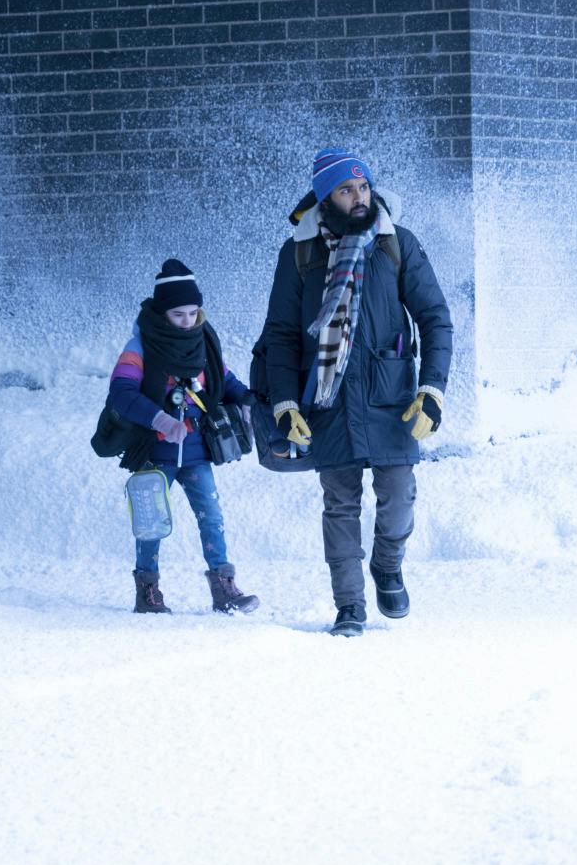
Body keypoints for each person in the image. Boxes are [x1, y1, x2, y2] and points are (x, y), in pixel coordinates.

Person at [261, 149, 453, 637]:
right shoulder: (300, 254)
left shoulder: (396, 243)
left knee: (399, 495)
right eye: (346, 190)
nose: (359, 197)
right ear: (326, 199)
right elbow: (281, 334)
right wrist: (284, 403)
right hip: (327, 401)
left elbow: (435, 319)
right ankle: (349, 606)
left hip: (391, 398)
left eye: (363, 187)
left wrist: (431, 390)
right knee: (340, 505)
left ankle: (387, 565)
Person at [106, 259, 260, 615]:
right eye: (178, 314)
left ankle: (224, 588)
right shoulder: (139, 348)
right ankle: (148, 592)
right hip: (153, 453)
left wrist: (250, 403)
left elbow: (229, 385)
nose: (187, 321)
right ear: (162, 313)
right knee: (151, 525)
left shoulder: (202, 346)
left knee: (211, 516)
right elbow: (122, 393)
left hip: (196, 452)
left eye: (193, 312)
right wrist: (159, 419)